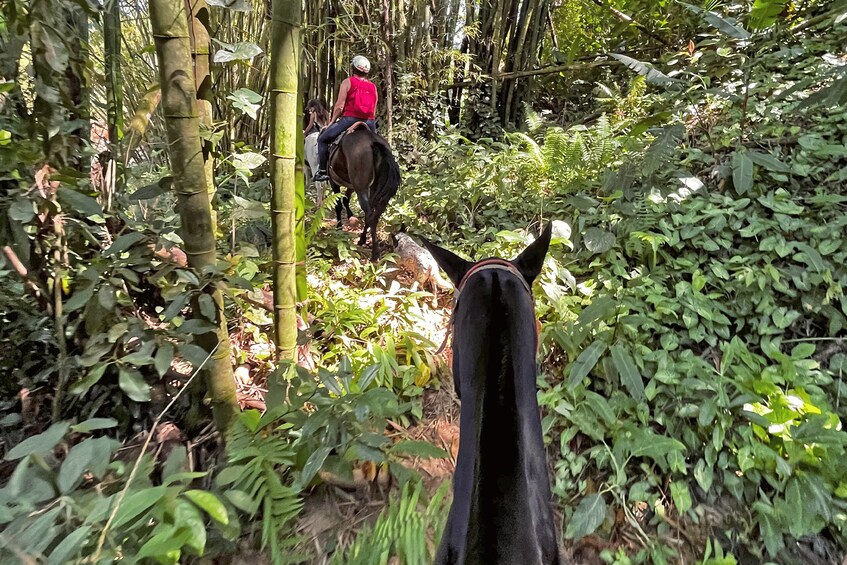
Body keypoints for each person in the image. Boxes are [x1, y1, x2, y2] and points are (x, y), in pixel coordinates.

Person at [313, 55, 378, 181]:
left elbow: (339, 106)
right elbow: (374, 108)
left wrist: (331, 122)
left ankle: (322, 171)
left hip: (350, 119)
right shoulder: (373, 87)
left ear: (352, 68)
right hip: (369, 121)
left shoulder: (348, 82)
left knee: (323, 139)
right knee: (378, 146)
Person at [304, 99, 330, 183]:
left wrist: (304, 133)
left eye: (310, 108)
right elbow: (329, 124)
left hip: (317, 134)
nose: (309, 110)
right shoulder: (326, 113)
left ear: (313, 107)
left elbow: (310, 126)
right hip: (325, 132)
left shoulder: (313, 115)